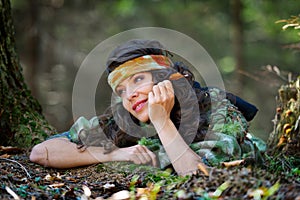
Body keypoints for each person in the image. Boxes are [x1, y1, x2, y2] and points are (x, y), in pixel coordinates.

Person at [30, 39, 266, 176]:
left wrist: (162, 121)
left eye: (138, 79)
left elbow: (200, 177)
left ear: (166, 77)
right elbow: (41, 153)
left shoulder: (216, 109)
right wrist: (116, 154)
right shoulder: (121, 120)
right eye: (121, 90)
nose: (130, 95)